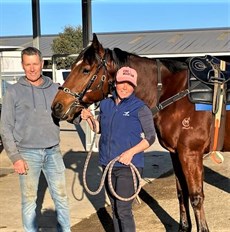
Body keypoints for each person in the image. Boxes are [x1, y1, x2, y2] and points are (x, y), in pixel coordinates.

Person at [0, 47, 71, 232]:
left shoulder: (56, 88)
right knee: (29, 201)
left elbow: (67, 113)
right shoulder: (13, 92)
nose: (32, 68)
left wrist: (83, 114)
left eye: (35, 64)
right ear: (23, 66)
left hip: (53, 151)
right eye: (28, 64)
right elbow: (5, 127)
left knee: (61, 198)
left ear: (42, 64)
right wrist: (15, 157)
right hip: (27, 153)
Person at [81, 66, 156, 232]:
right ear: (115, 83)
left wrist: (130, 153)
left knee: (123, 210)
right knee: (115, 208)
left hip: (129, 166)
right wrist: (89, 119)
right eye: (122, 82)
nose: (125, 87)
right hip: (107, 164)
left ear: (134, 86)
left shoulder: (140, 108)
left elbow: (150, 137)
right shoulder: (106, 104)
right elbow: (99, 128)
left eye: (129, 84)